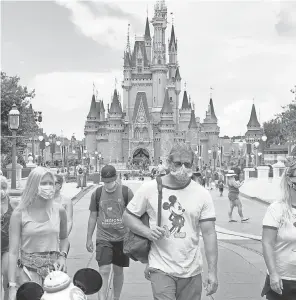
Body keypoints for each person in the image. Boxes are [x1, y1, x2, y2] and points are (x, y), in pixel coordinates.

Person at [123, 142, 218, 300]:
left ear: (193, 165)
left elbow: (209, 234)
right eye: (178, 163)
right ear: (168, 162)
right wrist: (147, 232)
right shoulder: (150, 189)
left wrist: (213, 272)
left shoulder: (202, 194)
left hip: (192, 270)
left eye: (187, 164)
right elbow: (127, 216)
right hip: (161, 267)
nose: (182, 167)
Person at [8, 167, 69, 300]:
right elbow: (13, 252)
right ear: (33, 184)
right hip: (27, 275)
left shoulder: (59, 210)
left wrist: (62, 256)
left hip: (55, 275)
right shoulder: (19, 213)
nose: (48, 187)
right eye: (43, 183)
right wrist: (12, 286)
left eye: (50, 183)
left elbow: (64, 238)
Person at [86, 165, 134, 300]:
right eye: (105, 182)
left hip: (122, 238)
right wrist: (89, 238)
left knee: (118, 270)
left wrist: (133, 237)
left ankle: (115, 297)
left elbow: (133, 216)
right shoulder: (97, 193)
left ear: (116, 178)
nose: (108, 185)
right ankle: (101, 298)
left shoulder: (126, 192)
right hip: (103, 238)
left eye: (110, 181)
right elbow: (92, 216)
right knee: (104, 270)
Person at [261, 158, 296, 300]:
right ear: (289, 180)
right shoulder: (277, 209)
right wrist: (273, 273)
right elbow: (267, 243)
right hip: (283, 280)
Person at [1, 176, 17, 300]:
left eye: (4, 187)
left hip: (7, 247)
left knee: (7, 275)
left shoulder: (13, 203)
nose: (1, 191)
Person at [54, 174, 73, 253]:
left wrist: (63, 237)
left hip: (60, 237)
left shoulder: (66, 201)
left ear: (60, 185)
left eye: (53, 183)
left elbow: (69, 221)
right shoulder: (44, 201)